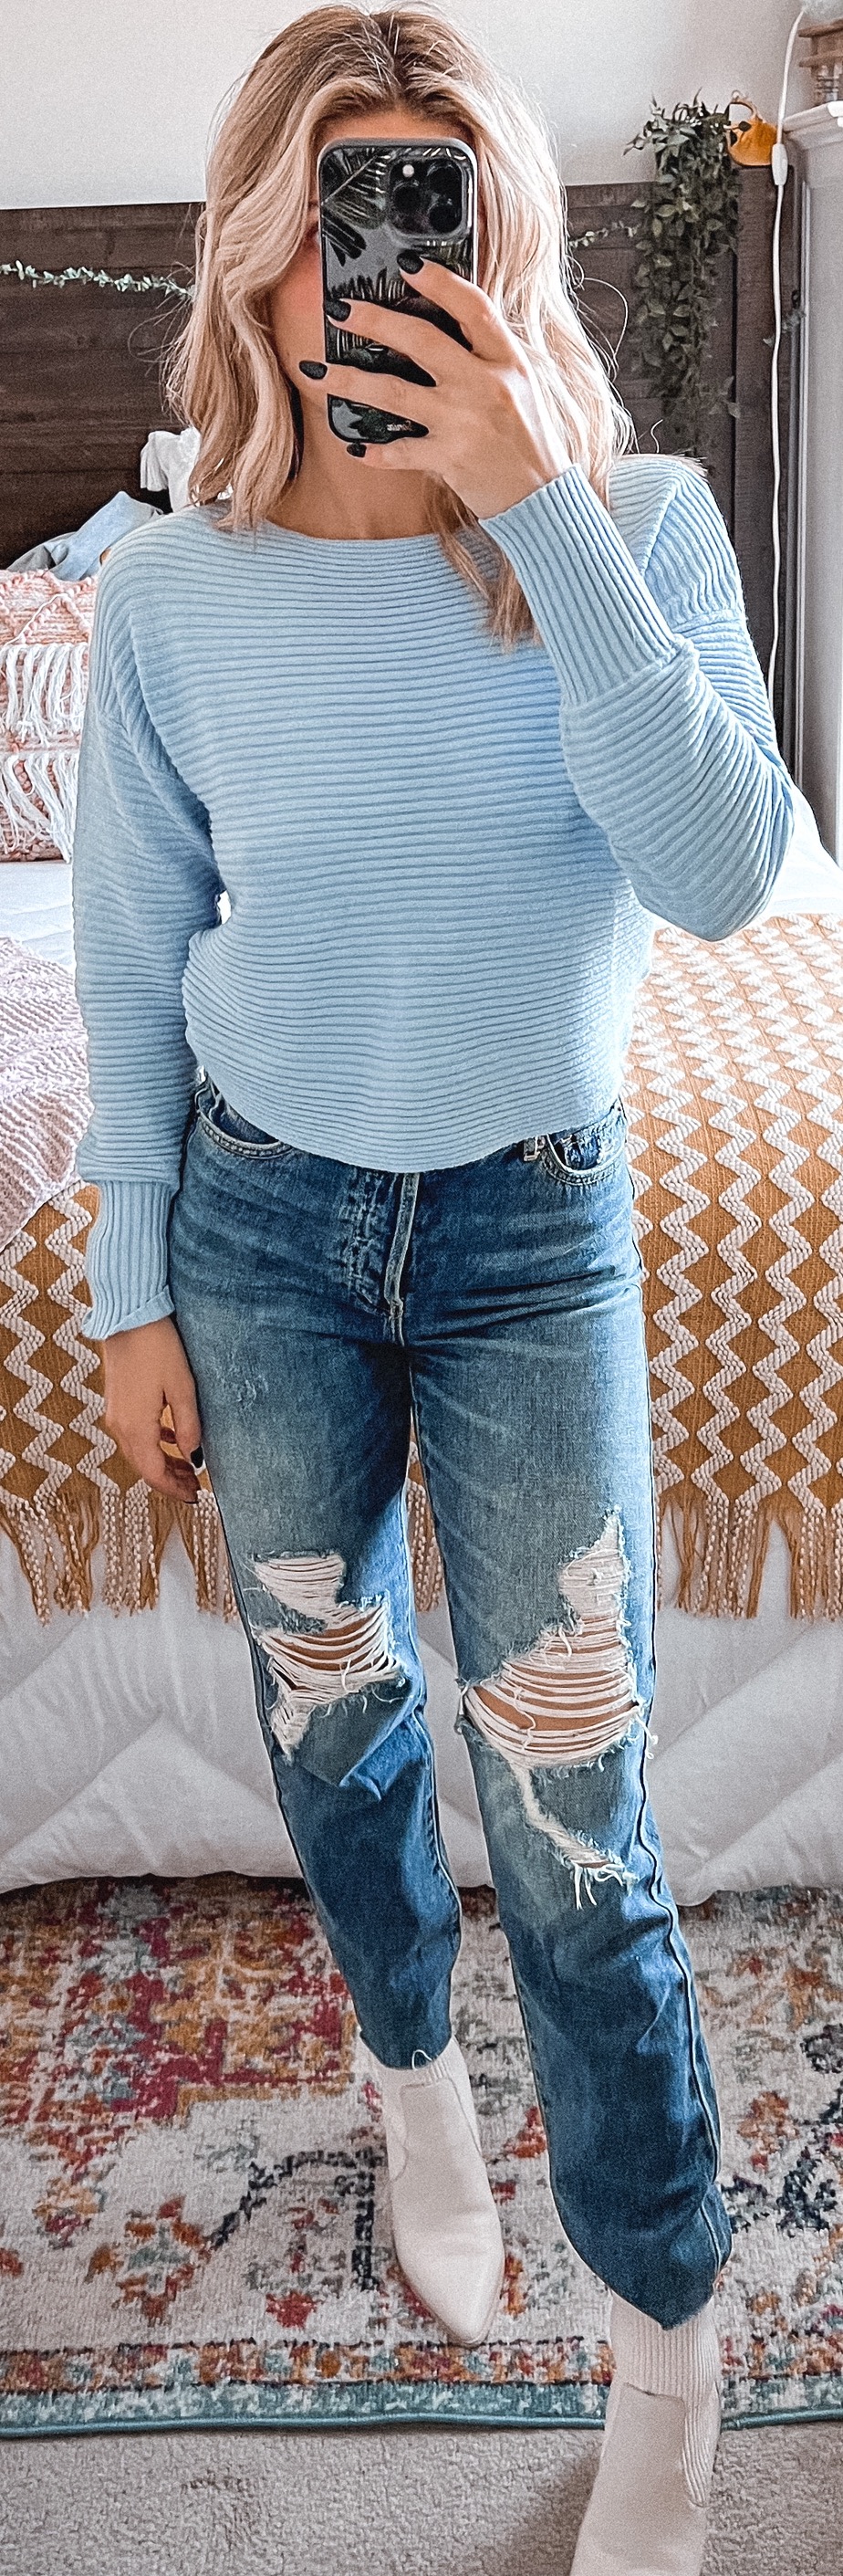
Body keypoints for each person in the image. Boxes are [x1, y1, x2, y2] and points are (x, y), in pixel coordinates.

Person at [71, 9, 796, 2569]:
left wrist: (534, 501)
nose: (367, 276)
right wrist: (129, 1286)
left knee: (576, 1821)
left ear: (508, 245)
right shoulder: (169, 590)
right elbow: (130, 966)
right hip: (262, 1229)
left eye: (429, 215)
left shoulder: (639, 524)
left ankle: (667, 2338)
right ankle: (410, 2088)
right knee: (340, 1730)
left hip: (528, 1230)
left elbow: (726, 876)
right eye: (329, 226)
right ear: (256, 261)